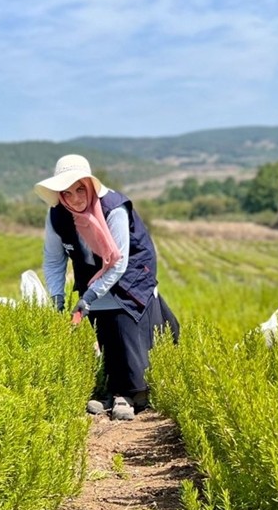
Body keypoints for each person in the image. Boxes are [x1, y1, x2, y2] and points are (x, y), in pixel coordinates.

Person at [35, 154, 175, 420]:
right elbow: (54, 260)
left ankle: (132, 394)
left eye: (80, 189)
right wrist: (57, 299)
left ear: (90, 186)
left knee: (126, 330)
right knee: (107, 333)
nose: (75, 198)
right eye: (67, 192)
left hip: (130, 275)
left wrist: (89, 296)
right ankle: (114, 392)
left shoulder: (113, 208)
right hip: (92, 278)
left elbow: (118, 263)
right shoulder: (57, 216)